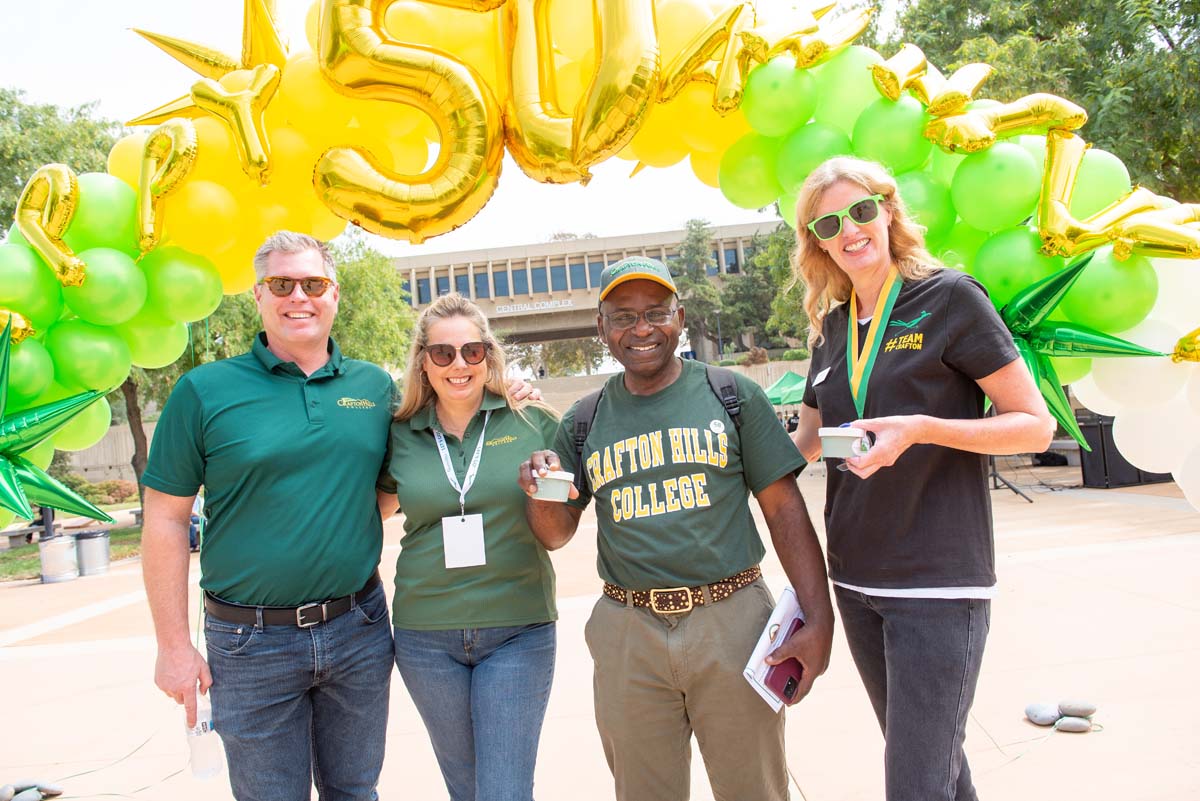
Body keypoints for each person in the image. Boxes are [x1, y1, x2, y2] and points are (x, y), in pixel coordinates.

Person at [141, 231, 539, 801]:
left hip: (359, 629)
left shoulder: (375, 389)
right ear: (257, 295)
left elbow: (439, 427)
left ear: (334, 295)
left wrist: (507, 386)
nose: (298, 296)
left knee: (355, 791)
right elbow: (166, 519)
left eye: (313, 284)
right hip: (250, 643)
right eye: (282, 284)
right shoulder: (204, 391)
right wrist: (173, 645)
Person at [518, 257, 834, 801]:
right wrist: (539, 488)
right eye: (622, 317)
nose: (641, 329)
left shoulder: (731, 394)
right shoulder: (584, 419)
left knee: (754, 789)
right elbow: (554, 534)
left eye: (655, 313)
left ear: (680, 318)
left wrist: (819, 618)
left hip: (731, 619)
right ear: (601, 328)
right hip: (628, 630)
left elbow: (784, 509)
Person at [789, 157, 1054, 801]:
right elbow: (801, 442)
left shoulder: (950, 298)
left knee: (914, 784)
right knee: (937, 772)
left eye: (860, 211)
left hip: (937, 583)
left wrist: (923, 428)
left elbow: (1034, 426)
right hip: (855, 581)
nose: (850, 231)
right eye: (829, 222)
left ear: (888, 209)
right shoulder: (832, 327)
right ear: (816, 240)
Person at [377, 293, 559, 801]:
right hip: (424, 636)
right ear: (423, 362)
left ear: (489, 355)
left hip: (517, 629)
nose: (459, 364)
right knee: (466, 787)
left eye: (472, 352)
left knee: (503, 789)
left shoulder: (532, 420)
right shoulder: (397, 434)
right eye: (443, 353)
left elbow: (563, 517)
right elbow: (374, 507)